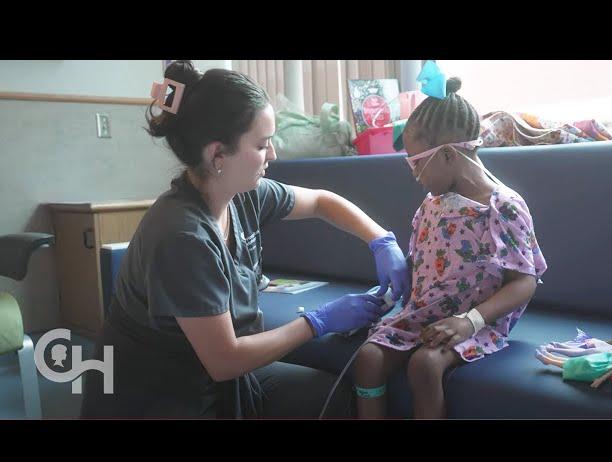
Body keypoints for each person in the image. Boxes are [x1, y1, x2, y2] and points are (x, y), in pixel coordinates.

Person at [80, 60, 411, 419]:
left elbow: (320, 201)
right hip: (161, 393)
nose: (273, 155)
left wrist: (380, 240)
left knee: (329, 398)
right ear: (217, 154)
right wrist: (318, 321)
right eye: (262, 144)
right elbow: (225, 360)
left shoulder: (242, 193)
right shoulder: (183, 237)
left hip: (211, 375)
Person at [353, 63, 548, 419]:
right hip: (426, 314)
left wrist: (469, 321)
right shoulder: (433, 204)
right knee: (368, 357)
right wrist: (386, 298)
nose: (413, 174)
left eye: (416, 163)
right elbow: (422, 265)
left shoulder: (502, 207)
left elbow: (525, 282)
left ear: (447, 154)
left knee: (425, 366)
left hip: (475, 322)